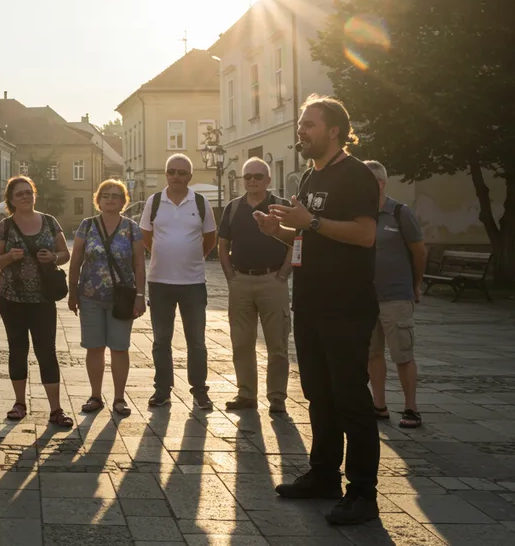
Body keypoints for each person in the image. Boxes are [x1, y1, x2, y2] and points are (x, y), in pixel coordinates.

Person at [255, 95, 381, 525]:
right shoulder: (310, 177)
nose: (301, 130)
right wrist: (277, 232)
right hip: (310, 303)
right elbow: (308, 239)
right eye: (301, 124)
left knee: (351, 399)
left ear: (334, 130)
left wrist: (310, 222)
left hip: (347, 305)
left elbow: (365, 235)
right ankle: (325, 474)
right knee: (318, 394)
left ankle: (362, 493)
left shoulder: (357, 174)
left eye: (309, 124)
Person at [0, 176, 74, 429]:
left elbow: (65, 254)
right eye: (20, 194)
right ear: (11, 200)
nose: (25, 197)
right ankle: (19, 403)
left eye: (29, 192)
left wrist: (53, 257)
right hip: (11, 298)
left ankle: (56, 409)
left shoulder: (49, 222)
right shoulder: (5, 226)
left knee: (46, 350)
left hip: (43, 298)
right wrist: (8, 257)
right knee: (17, 348)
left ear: (34, 194)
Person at [139, 154, 217, 411]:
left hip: (193, 283)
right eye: (171, 171)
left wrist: (191, 257)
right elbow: (146, 236)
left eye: (181, 173)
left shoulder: (201, 203)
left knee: (197, 340)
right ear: (166, 174)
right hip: (160, 281)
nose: (176, 176)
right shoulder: (154, 202)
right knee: (161, 340)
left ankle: (199, 390)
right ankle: (162, 390)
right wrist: (165, 253)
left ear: (189, 177)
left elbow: (210, 239)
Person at [217, 157, 292, 414]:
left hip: (273, 280)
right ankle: (246, 394)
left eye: (257, 176)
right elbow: (223, 245)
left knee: (277, 344)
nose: (251, 180)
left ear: (268, 180)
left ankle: (277, 397)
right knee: (241, 342)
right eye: (247, 176)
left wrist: (283, 274)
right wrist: (230, 276)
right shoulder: (233, 208)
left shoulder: (281, 207)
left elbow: (297, 243)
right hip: (241, 281)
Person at [68, 179, 146, 417]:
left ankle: (119, 398)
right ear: (98, 200)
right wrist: (73, 291)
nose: (110, 199)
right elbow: (76, 259)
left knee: (119, 347)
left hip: (121, 298)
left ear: (124, 201)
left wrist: (140, 295)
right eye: (106, 195)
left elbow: (139, 264)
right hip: (90, 296)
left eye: (116, 196)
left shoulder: (132, 228)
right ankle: (95, 395)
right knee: (94, 347)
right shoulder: (87, 225)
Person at [363, 160, 428, 430]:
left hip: (396, 296)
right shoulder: (359, 216)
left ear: (380, 183)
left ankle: (411, 408)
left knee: (402, 354)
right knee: (372, 354)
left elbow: (419, 252)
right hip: (366, 297)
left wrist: (415, 285)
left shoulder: (400, 213)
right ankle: (379, 405)